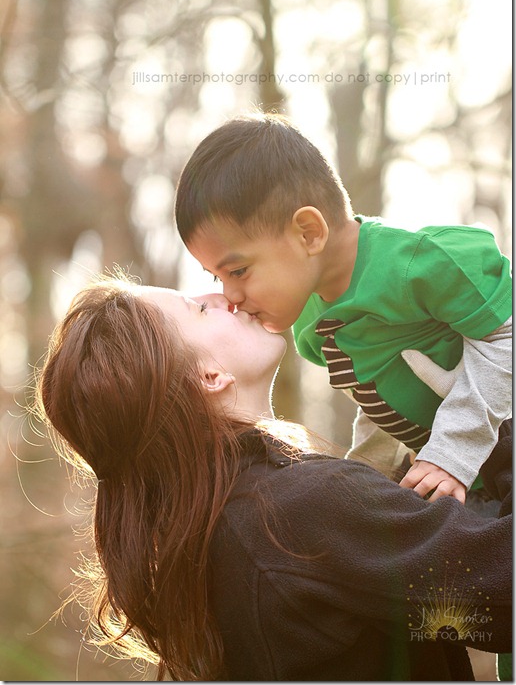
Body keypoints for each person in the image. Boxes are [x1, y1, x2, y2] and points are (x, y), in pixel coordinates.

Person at [35, 274, 511, 681]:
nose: (225, 296)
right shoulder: (300, 510)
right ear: (208, 376)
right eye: (200, 309)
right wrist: (494, 422)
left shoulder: (207, 537)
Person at [174, 112, 512, 503]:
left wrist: (451, 453)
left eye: (238, 271)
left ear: (308, 233)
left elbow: (505, 337)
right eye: (218, 277)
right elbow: (381, 397)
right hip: (474, 490)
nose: (230, 296)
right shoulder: (311, 325)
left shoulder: (420, 265)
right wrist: (367, 481)